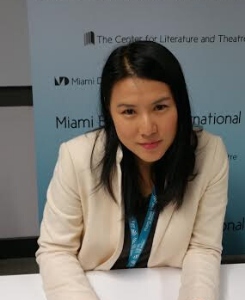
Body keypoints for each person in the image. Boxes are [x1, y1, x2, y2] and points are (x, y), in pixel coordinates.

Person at [36, 41, 229, 300]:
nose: (148, 128)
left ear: (179, 105)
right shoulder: (77, 157)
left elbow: (203, 248)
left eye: (160, 107)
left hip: (165, 287)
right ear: (110, 112)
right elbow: (56, 250)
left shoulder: (210, 153)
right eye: (129, 111)